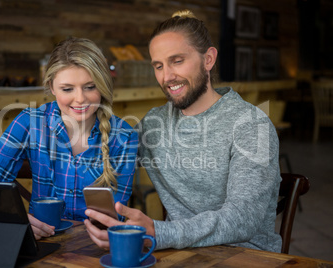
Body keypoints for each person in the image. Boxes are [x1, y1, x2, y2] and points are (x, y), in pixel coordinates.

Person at [84, 10, 282, 253]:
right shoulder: (155, 122)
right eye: (158, 66)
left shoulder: (251, 124)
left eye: (177, 61)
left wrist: (160, 232)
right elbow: (103, 161)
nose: (167, 76)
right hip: (178, 254)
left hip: (245, 256)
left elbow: (243, 220)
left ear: (208, 59)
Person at [0, 37, 138, 240]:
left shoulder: (124, 136)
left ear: (103, 85)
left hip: (94, 246)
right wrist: (14, 221)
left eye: (90, 86)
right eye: (67, 89)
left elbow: (115, 218)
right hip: (40, 241)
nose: (80, 98)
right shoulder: (28, 122)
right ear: (52, 87)